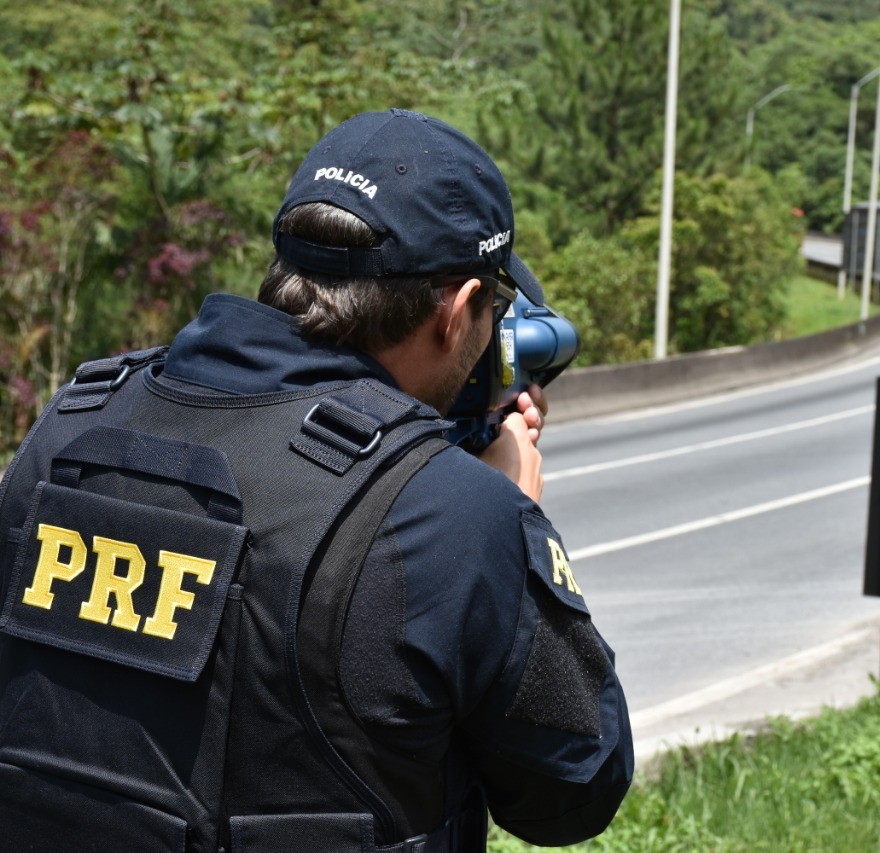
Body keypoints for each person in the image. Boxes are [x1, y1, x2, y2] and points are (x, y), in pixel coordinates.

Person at [0, 108, 632, 852]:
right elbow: (574, 789)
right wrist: (508, 516)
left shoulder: (72, 421)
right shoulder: (453, 516)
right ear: (459, 312)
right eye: (492, 308)